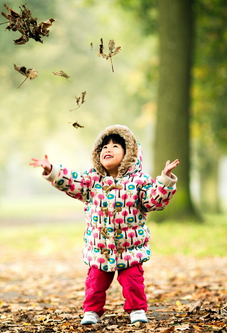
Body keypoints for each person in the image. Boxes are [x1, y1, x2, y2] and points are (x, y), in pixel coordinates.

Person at [29, 124, 179, 325]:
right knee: (95, 283)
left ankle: (136, 310)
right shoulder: (92, 180)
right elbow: (73, 182)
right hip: (100, 247)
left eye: (116, 146)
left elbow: (154, 201)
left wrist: (165, 181)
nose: (108, 149)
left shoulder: (140, 181)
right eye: (104, 146)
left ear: (129, 154)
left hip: (130, 247)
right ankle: (92, 311)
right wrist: (52, 171)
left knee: (133, 282)